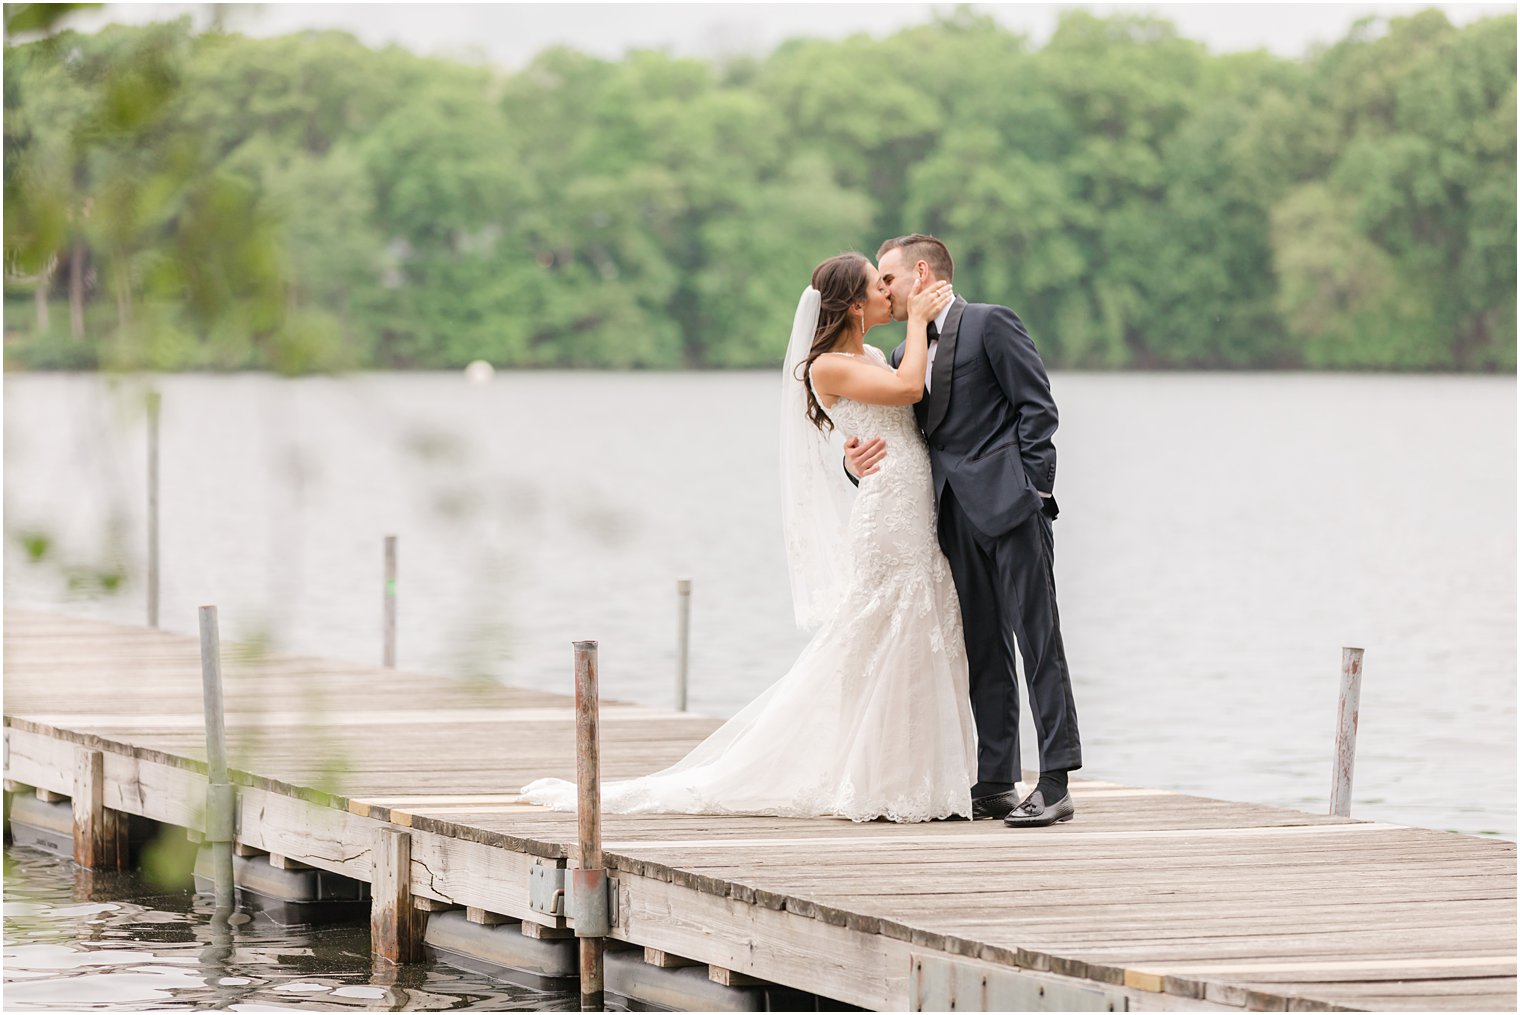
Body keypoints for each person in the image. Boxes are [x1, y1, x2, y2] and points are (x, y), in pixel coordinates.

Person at [521, 253, 980, 821]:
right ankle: (876, 778)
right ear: (856, 305)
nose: (891, 292)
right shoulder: (827, 366)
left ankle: (915, 775)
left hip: (912, 507)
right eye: (878, 285)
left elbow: (894, 419)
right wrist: (916, 324)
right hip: (888, 518)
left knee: (914, 636)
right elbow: (910, 389)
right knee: (884, 635)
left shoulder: (865, 355)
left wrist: (853, 454)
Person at [846, 234, 1081, 828]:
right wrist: (853, 465)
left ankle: (1054, 782)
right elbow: (899, 439)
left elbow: (1038, 408)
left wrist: (1035, 491)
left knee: (1038, 638)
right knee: (983, 647)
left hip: (1011, 506)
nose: (885, 292)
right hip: (948, 517)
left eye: (890, 280)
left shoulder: (989, 324)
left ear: (920, 273)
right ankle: (997, 779)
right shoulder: (904, 354)